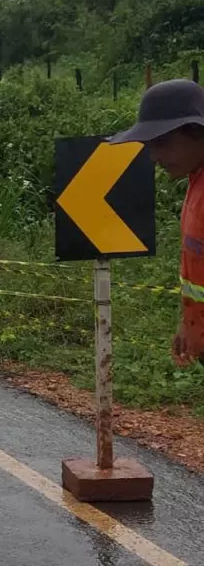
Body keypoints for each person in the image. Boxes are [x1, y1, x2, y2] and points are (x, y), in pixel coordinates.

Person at [110, 79, 204, 366]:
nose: (153, 157)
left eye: (161, 143)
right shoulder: (196, 181)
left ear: (196, 132)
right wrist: (189, 324)